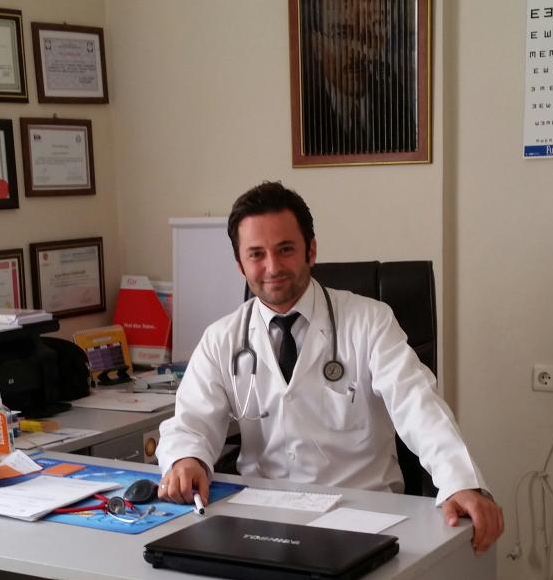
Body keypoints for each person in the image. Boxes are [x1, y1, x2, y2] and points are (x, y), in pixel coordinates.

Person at [156, 181, 503, 554]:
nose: (272, 267)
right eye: (256, 254)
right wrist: (187, 459)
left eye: (285, 249)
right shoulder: (222, 339)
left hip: (364, 517)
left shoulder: (369, 321)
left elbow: (416, 403)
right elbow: (191, 420)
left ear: (311, 250)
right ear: (240, 265)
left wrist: (459, 481)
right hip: (261, 520)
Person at [300, 0, 417, 155]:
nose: (359, 50)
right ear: (317, 45)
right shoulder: (306, 118)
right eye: (342, 34)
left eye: (368, 35)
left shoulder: (395, 99)